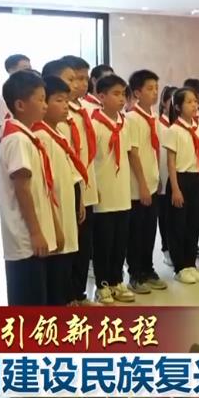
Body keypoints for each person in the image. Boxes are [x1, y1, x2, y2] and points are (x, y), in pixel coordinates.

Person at [0, 70, 64, 305]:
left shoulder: (27, 137)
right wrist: (36, 232)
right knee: (28, 300)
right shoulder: (17, 139)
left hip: (36, 233)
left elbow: (42, 190)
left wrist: (54, 226)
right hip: (25, 238)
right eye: (40, 99)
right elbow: (22, 189)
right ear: (20, 105)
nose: (45, 105)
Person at [33, 75, 83, 306]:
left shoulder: (59, 133)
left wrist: (79, 200)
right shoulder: (41, 136)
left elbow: (70, 173)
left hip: (68, 203)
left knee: (67, 258)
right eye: (59, 100)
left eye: (67, 101)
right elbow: (46, 182)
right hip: (55, 210)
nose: (65, 106)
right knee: (56, 263)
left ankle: (67, 300)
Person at [91, 75, 135, 303]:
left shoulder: (125, 123)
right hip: (103, 193)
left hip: (122, 192)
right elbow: (90, 160)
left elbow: (128, 154)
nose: (121, 99)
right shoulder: (94, 124)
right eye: (116, 94)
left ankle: (117, 280)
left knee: (120, 241)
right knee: (103, 242)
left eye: (123, 94)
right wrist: (93, 189)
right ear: (101, 96)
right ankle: (102, 284)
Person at [126, 70, 168, 293]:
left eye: (156, 88)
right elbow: (133, 153)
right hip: (137, 186)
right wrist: (142, 184)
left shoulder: (153, 117)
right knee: (137, 232)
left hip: (152, 182)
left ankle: (148, 268)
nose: (154, 92)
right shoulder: (132, 118)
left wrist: (157, 177)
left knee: (150, 231)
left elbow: (154, 150)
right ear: (136, 93)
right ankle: (135, 274)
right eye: (150, 89)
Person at [62, 56, 100, 305]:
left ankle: (79, 292)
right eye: (75, 79)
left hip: (86, 184)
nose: (82, 84)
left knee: (85, 243)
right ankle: (68, 295)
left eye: (85, 79)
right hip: (71, 186)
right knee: (71, 245)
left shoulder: (85, 110)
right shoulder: (60, 113)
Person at [164, 87, 199, 284]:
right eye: (189, 102)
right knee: (178, 226)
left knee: (194, 224)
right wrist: (175, 189)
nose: (194, 105)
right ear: (177, 107)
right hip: (180, 180)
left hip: (196, 179)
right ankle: (180, 267)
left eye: (195, 101)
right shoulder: (173, 130)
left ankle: (191, 264)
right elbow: (171, 162)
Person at [157, 86, 177, 267]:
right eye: (171, 100)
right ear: (164, 103)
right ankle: (166, 249)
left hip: (178, 178)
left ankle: (176, 247)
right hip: (163, 177)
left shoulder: (179, 126)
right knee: (164, 217)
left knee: (176, 217)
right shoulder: (159, 125)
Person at [0, 54, 32, 130]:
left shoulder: (34, 95)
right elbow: (3, 128)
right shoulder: (2, 100)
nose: (29, 71)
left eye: (30, 68)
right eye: (25, 68)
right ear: (10, 70)